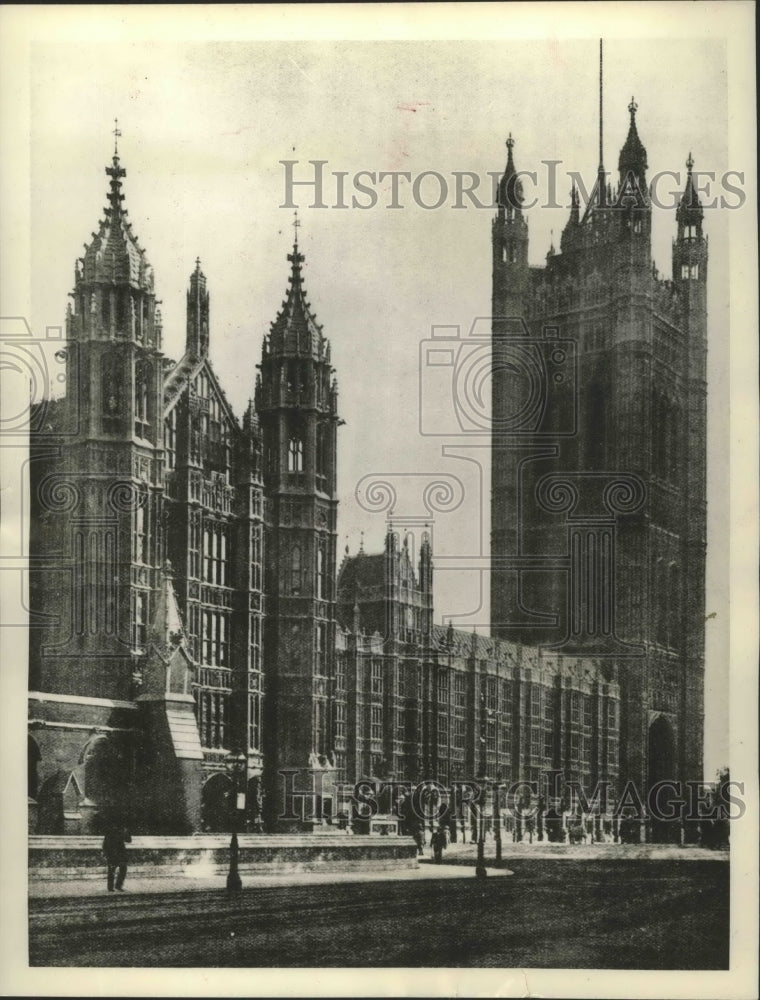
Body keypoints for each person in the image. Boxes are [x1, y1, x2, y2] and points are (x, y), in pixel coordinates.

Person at [102, 822, 131, 892]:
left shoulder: (122, 831)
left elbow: (129, 840)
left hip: (120, 853)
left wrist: (126, 832)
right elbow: (105, 844)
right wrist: (106, 853)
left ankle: (117, 886)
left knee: (123, 869)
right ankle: (111, 887)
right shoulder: (110, 832)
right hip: (112, 853)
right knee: (112, 870)